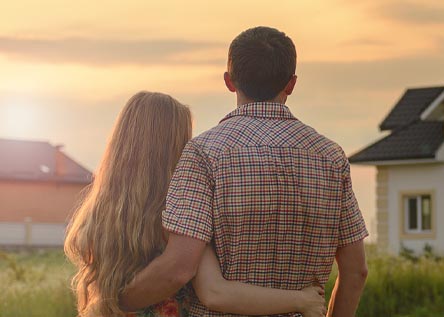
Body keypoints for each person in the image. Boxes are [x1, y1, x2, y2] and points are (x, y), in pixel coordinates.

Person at [118, 26, 369, 317]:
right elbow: (356, 272)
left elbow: (179, 267)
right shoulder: (331, 158)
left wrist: (114, 301)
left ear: (229, 81)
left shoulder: (204, 153)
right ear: (291, 84)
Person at [65, 91, 328, 317]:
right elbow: (215, 291)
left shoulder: (98, 213)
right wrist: (301, 300)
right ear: (174, 144)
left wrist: (115, 302)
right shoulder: (178, 208)